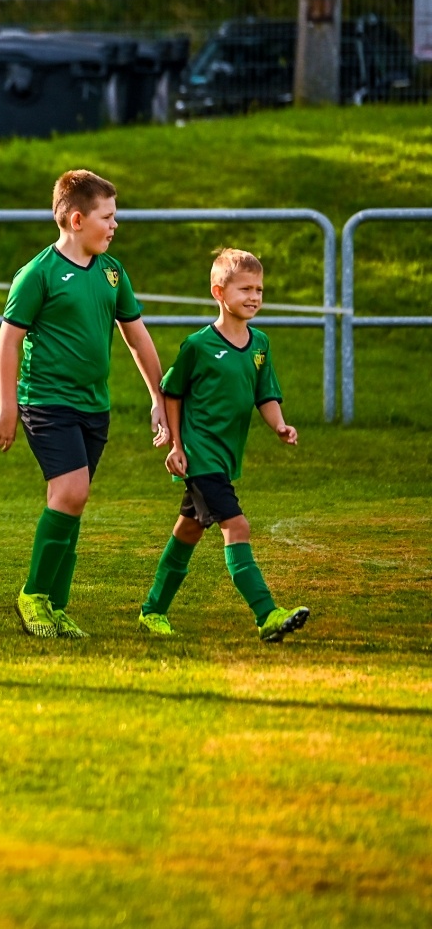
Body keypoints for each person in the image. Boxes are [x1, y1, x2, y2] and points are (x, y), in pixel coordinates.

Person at [0, 170, 167, 639]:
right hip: (45, 400)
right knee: (71, 492)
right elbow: (8, 342)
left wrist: (157, 397)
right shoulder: (38, 273)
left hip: (93, 405)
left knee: (72, 501)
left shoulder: (112, 272)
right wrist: (7, 409)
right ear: (77, 220)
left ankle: (56, 605)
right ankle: (33, 595)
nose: (115, 225)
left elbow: (137, 338)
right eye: (108, 217)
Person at [139, 249, 310, 642]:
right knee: (237, 526)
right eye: (245, 289)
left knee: (189, 530)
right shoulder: (198, 345)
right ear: (219, 292)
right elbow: (172, 393)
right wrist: (177, 445)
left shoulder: (260, 344)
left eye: (259, 289)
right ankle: (267, 615)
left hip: (224, 456)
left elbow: (265, 394)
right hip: (201, 456)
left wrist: (280, 425)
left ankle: (152, 611)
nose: (254, 296)